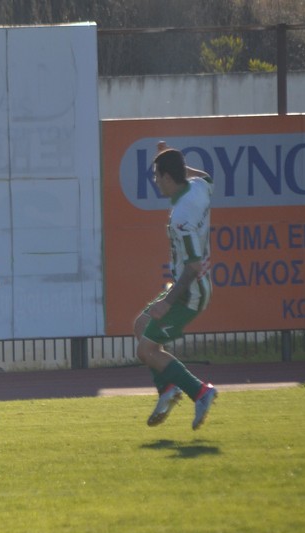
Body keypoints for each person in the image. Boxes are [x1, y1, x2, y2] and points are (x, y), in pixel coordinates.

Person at [135, 141, 217, 430]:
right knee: (140, 326)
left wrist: (167, 302)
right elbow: (206, 176)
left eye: (157, 176)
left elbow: (193, 266)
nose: (156, 182)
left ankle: (200, 392)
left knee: (146, 351)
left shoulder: (182, 215)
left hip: (189, 293)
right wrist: (178, 165)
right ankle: (168, 389)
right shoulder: (198, 187)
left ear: (168, 177)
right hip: (188, 286)